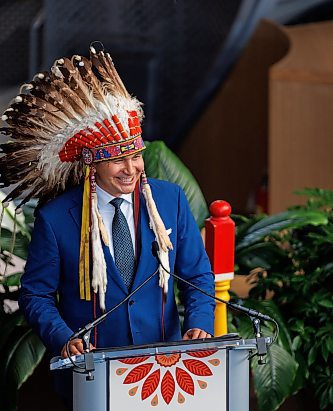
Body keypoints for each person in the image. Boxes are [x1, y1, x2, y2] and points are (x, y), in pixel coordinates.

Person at [0, 43, 215, 365]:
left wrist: (199, 324)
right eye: (117, 160)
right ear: (92, 165)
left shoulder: (170, 199)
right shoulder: (57, 218)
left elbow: (197, 275)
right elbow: (36, 295)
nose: (131, 169)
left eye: (135, 156)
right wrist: (64, 337)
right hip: (91, 368)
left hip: (164, 364)